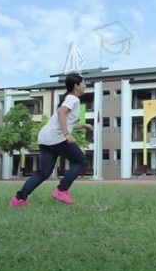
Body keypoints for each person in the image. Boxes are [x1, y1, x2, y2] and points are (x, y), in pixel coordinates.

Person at [9, 73, 93, 207]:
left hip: (45, 138)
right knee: (81, 161)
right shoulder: (73, 99)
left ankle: (19, 199)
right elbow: (62, 113)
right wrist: (66, 133)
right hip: (57, 137)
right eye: (83, 83)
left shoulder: (68, 99)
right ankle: (61, 190)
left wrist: (83, 125)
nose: (85, 85)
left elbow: (68, 121)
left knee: (44, 172)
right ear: (76, 86)